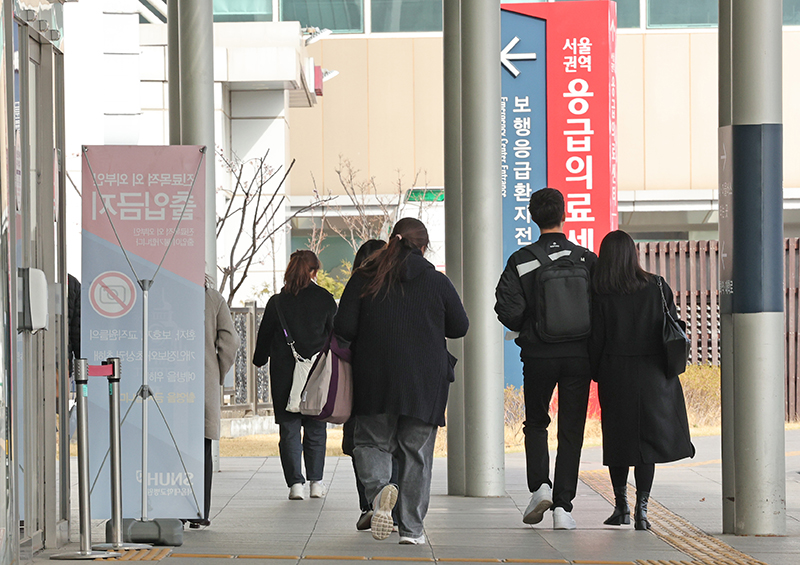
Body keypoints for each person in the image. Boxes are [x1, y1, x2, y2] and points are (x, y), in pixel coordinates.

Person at [334, 218, 469, 545]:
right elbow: (459, 326)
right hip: (425, 382)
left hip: (374, 379)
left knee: (370, 443)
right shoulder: (437, 281)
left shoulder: (365, 278)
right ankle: (411, 530)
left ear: (392, 241)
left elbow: (344, 327)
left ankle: (380, 493)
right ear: (424, 247)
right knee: (416, 453)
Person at [494, 187, 597, 530]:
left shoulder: (521, 260)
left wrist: (530, 326)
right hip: (578, 356)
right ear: (564, 214)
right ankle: (563, 508)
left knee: (536, 422)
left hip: (538, 355)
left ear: (532, 217)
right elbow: (601, 309)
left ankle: (540, 487)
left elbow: (506, 309)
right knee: (572, 430)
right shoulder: (585, 258)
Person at [588, 230, 694, 530]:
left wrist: (596, 372)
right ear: (634, 254)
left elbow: (596, 338)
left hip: (615, 374)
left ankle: (620, 506)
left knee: (619, 441)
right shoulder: (656, 285)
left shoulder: (601, 292)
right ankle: (642, 511)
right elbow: (671, 324)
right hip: (654, 375)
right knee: (646, 443)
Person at [253, 250, 337, 500]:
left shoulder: (277, 302)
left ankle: (295, 485)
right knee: (316, 428)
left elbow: (263, 340)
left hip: (284, 375)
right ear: (314, 272)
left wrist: (260, 360)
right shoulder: (325, 300)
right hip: (316, 374)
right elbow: (335, 335)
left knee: (289, 429)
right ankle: (315, 483)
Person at [338, 239, 399, 532]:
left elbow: (343, 330)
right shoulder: (400, 286)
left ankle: (371, 503)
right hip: (403, 381)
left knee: (363, 443)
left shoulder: (358, 286)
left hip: (362, 380)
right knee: (397, 444)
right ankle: (396, 511)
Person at [190, 277, 241, 528]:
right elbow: (230, 341)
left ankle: (170, 507)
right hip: (202, 380)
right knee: (202, 445)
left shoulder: (163, 291)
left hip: (166, 384)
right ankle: (200, 511)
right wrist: (216, 370)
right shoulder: (211, 298)